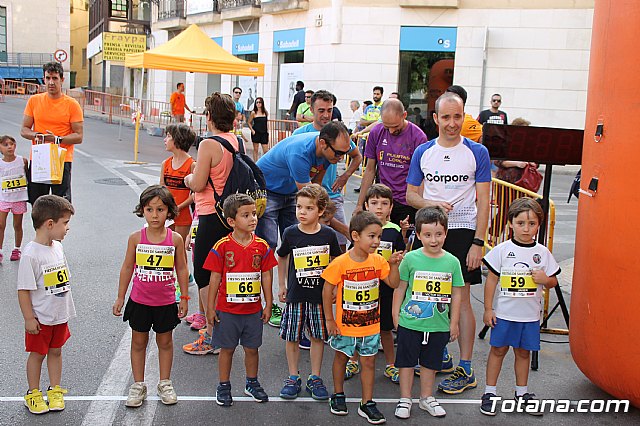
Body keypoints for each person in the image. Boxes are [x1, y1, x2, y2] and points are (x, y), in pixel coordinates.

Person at [406, 92, 491, 394]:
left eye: (458, 117)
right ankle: (439, 354)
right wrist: (432, 202)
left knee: (462, 299)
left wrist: (478, 243)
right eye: (446, 117)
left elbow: (485, 201)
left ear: (464, 116)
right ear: (436, 118)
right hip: (431, 231)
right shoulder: (423, 151)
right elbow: (411, 195)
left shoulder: (477, 152)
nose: (452, 123)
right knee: (431, 297)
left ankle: (466, 367)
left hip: (463, 231)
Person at [256, 121, 352, 327]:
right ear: (324, 144)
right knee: (268, 246)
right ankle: (267, 302)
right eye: (338, 153)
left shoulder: (328, 153)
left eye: (344, 153)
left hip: (292, 192)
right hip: (269, 190)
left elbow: (315, 189)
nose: (341, 158)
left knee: (299, 245)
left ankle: (296, 300)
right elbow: (309, 199)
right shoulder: (300, 153)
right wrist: (342, 228)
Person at [322, 211, 403, 424]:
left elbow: (393, 284)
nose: (377, 241)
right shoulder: (340, 263)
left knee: (369, 363)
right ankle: (338, 395)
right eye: (372, 236)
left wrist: (393, 264)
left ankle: (367, 402)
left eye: (379, 236)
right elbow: (326, 289)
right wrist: (329, 320)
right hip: (344, 325)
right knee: (340, 357)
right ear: (356, 236)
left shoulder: (378, 261)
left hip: (370, 326)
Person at [480, 198, 560, 416]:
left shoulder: (542, 253)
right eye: (521, 223)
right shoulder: (502, 250)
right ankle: (489, 392)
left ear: (538, 225)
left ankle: (522, 393)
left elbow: (553, 281)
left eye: (532, 223)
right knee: (498, 350)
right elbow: (492, 280)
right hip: (505, 314)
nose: (526, 228)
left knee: (523, 353)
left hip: (530, 316)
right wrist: (488, 309)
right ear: (510, 223)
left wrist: (545, 279)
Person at [113, 185, 189, 408]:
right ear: (142, 211)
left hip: (165, 302)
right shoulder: (136, 238)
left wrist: (184, 298)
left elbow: (182, 269)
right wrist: (120, 297)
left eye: (160, 210)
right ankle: (138, 385)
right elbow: (127, 267)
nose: (155, 215)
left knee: (165, 342)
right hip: (139, 301)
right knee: (138, 342)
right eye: (149, 209)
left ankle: (165, 382)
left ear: (169, 212)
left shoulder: (175, 239)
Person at [203, 194, 276, 407]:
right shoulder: (222, 246)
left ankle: (252, 383)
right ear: (232, 221)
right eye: (246, 215)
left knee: (252, 349)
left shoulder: (262, 246)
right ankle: (223, 385)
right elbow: (214, 277)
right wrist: (210, 307)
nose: (253, 218)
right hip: (227, 310)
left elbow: (267, 275)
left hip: (252, 310)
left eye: (254, 213)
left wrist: (268, 303)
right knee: (227, 349)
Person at [392, 207, 464, 419]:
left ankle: (426, 398)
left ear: (446, 233)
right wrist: (396, 315)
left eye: (439, 234)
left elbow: (457, 294)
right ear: (419, 234)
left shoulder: (452, 262)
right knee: (405, 362)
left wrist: (454, 322)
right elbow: (400, 288)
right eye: (428, 235)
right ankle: (405, 398)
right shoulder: (411, 259)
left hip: (438, 324)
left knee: (430, 363)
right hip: (410, 322)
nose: (434, 240)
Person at [182, 93, 240, 353]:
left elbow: (198, 183)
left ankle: (210, 334)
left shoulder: (208, 144)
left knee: (204, 273)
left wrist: (188, 178)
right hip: (229, 213)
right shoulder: (234, 140)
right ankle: (222, 328)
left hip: (209, 214)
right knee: (223, 271)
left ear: (209, 117)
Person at [277, 184, 342, 401]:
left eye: (308, 208)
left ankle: (315, 377)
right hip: (296, 295)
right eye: (299, 207)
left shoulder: (329, 235)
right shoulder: (290, 233)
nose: (302, 212)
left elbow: (336, 261)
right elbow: (282, 256)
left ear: (321, 211)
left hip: (319, 297)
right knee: (292, 337)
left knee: (317, 337)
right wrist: (282, 284)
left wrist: (334, 288)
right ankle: (293, 376)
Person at [17, 195, 76, 414]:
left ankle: (54, 390)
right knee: (37, 354)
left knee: (56, 351)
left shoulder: (57, 247)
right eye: (65, 223)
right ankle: (33, 393)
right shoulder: (31, 255)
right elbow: (23, 289)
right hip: (41, 318)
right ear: (50, 224)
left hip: (59, 315)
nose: (67, 228)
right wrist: (29, 318)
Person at [292, 90, 362, 251]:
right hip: (307, 197)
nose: (326, 115)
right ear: (311, 109)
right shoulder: (300, 134)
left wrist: (345, 175)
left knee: (340, 245)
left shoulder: (339, 134)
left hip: (332, 195)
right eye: (321, 110)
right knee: (307, 245)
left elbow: (357, 156)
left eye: (329, 110)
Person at [20, 61, 84, 204]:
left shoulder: (72, 104)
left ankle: (60, 227)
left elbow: (79, 136)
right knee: (37, 203)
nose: (51, 82)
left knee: (61, 204)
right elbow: (24, 130)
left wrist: (56, 139)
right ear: (44, 79)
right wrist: (38, 136)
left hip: (62, 159)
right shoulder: (34, 101)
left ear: (62, 80)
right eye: (48, 78)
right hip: (39, 158)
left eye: (55, 78)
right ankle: (39, 227)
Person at [356, 98, 427, 226]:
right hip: (382, 200)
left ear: (404, 115)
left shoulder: (418, 137)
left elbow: (421, 177)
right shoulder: (376, 132)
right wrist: (360, 204)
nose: (391, 131)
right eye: (387, 127)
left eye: (395, 127)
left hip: (406, 202)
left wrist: (421, 207)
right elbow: (370, 170)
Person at [160, 124, 195, 243]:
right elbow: (161, 189)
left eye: (169, 136)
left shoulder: (192, 165)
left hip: (183, 215)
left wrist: (178, 207)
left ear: (178, 139)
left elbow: (195, 194)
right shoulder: (165, 163)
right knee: (166, 247)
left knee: (179, 250)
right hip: (167, 213)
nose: (165, 140)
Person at [0, 135, 28, 262]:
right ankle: (0, 251)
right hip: (4, 199)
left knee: (17, 225)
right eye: (5, 145)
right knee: (1, 225)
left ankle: (17, 249)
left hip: (19, 198)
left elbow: (28, 177)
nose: (9, 147)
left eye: (11, 144)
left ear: (15, 145)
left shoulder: (22, 161)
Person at [247, 97, 269, 162]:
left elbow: (266, 122)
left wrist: (267, 131)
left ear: (262, 103)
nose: (258, 104)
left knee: (266, 150)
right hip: (256, 132)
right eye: (257, 102)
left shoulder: (265, 112)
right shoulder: (253, 112)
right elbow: (249, 122)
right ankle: (255, 163)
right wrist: (252, 130)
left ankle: (264, 163)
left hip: (264, 133)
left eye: (260, 102)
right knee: (255, 149)